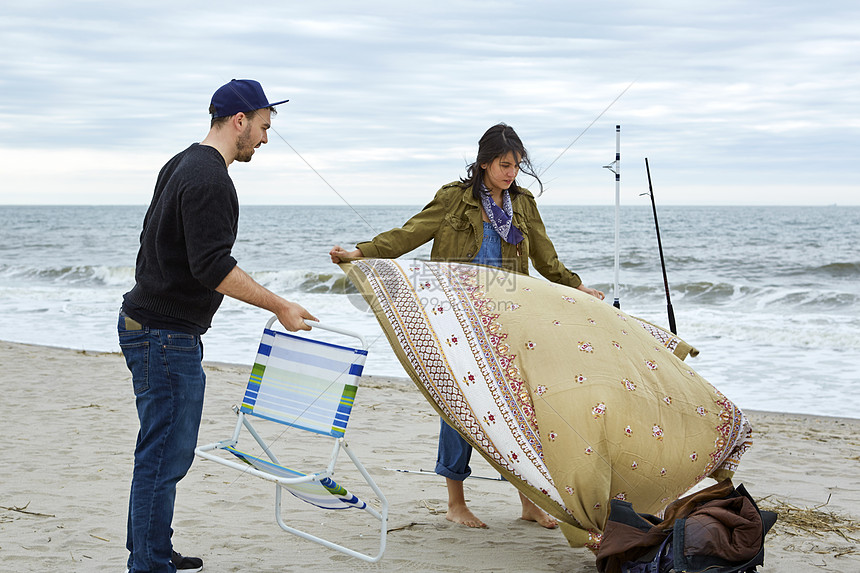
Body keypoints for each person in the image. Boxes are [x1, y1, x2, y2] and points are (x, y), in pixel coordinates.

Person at [330, 123, 604, 529]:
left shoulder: (523, 204)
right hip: (457, 317)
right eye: (504, 164)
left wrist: (577, 286)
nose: (512, 172)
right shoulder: (454, 200)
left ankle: (529, 501)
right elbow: (411, 234)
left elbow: (546, 257)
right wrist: (362, 252)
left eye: (517, 166)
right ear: (484, 162)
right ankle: (455, 503)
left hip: (509, 317)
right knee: (461, 408)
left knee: (520, 408)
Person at [118, 79, 317, 573]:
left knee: (162, 452)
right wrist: (280, 306)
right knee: (164, 456)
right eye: (264, 127)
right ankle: (148, 563)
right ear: (239, 121)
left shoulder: (182, 162)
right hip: (164, 336)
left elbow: (155, 244)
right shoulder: (211, 179)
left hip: (150, 325)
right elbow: (213, 267)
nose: (266, 139)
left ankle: (152, 551)